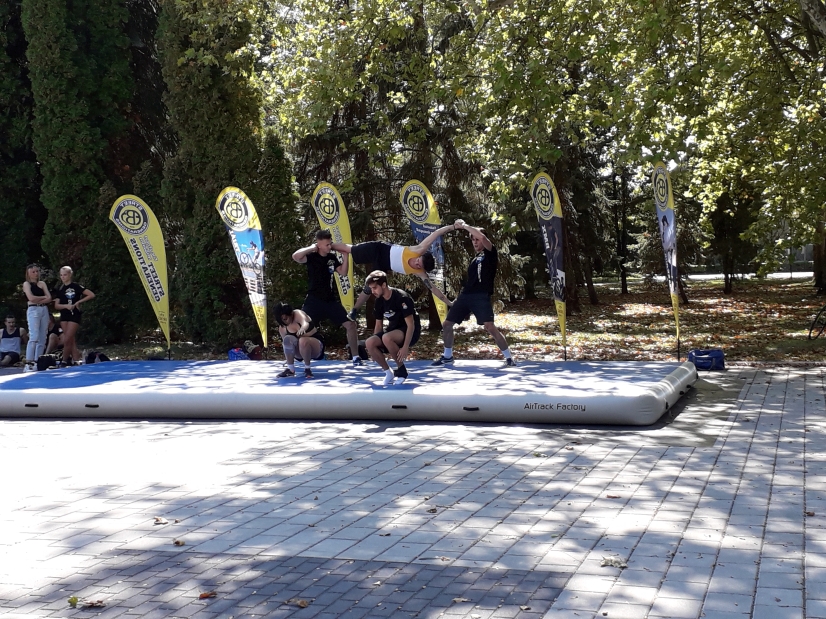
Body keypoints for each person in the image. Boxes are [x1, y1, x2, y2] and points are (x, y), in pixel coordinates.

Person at [432, 220, 516, 368]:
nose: (475, 242)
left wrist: (464, 226)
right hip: (466, 296)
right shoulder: (474, 259)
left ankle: (509, 358)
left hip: (481, 296)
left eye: (477, 239)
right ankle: (447, 356)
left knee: (489, 326)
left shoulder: (491, 253)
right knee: (447, 324)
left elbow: (483, 237)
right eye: (473, 239)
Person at [331, 223, 457, 317]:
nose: (416, 264)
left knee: (370, 287)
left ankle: (354, 310)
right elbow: (436, 233)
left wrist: (450, 303)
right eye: (418, 260)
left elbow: (434, 289)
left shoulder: (420, 273)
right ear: (420, 256)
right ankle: (327, 245)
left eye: (419, 266)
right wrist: (454, 226)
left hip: (383, 266)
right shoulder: (418, 249)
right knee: (351, 249)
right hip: (379, 249)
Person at [292, 230, 361, 367]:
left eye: (330, 244)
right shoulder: (311, 257)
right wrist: (311, 248)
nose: (330, 246)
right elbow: (295, 256)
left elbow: (343, 272)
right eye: (326, 245)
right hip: (313, 300)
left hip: (329, 300)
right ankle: (297, 358)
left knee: (350, 325)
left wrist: (345, 255)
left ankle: (356, 357)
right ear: (319, 244)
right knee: (301, 327)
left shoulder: (331, 258)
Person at [364, 270, 421, 386]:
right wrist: (375, 348)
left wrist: (405, 347)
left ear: (384, 285)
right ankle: (388, 373)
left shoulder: (401, 297)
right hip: (393, 330)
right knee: (369, 342)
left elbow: (411, 325)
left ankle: (402, 371)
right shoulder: (379, 301)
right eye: (371, 288)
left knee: (387, 337)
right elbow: (378, 325)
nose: (372, 291)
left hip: (410, 331)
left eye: (374, 288)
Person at [52, 266, 95, 366]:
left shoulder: (76, 286)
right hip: (64, 315)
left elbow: (91, 295)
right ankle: (76, 358)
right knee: (71, 339)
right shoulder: (60, 289)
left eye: (65, 275)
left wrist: (79, 302)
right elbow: (56, 305)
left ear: (70, 274)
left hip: (74, 314)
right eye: (61, 275)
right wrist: (66, 306)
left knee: (67, 338)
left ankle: (64, 360)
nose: (63, 277)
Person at [274, 302, 324, 378]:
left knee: (303, 340)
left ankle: (307, 369)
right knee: (287, 339)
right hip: (299, 353)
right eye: (282, 320)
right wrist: (288, 357)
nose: (285, 322)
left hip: (316, 347)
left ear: (291, 314)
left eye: (286, 319)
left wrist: (302, 329)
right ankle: (290, 369)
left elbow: (305, 323)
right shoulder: (282, 328)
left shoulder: (298, 314)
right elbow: (286, 346)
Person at [23, 264, 51, 369]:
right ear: (28, 274)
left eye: (37, 271)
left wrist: (39, 299)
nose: (36, 274)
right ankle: (29, 362)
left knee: (43, 337)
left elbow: (49, 298)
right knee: (34, 336)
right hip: (33, 309)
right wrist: (43, 297)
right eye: (33, 272)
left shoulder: (42, 283)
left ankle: (37, 362)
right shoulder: (27, 284)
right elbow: (31, 298)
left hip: (43, 309)